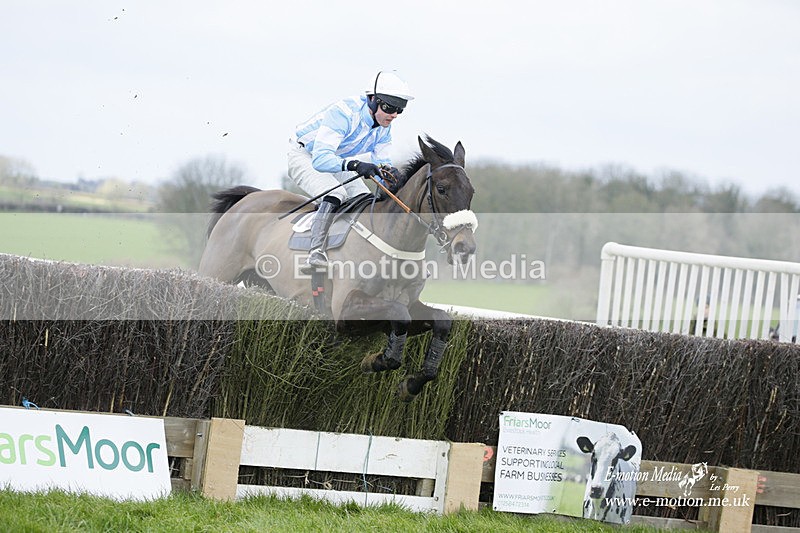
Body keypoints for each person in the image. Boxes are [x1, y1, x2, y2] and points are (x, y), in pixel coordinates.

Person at [288, 70, 413, 272]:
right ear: (372, 100)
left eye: (400, 110)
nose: (394, 115)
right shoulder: (344, 113)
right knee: (336, 193)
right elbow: (320, 160)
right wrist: (355, 165)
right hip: (306, 155)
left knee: (363, 198)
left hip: (336, 159)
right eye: (389, 107)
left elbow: (382, 165)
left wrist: (393, 178)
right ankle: (315, 252)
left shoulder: (384, 127)